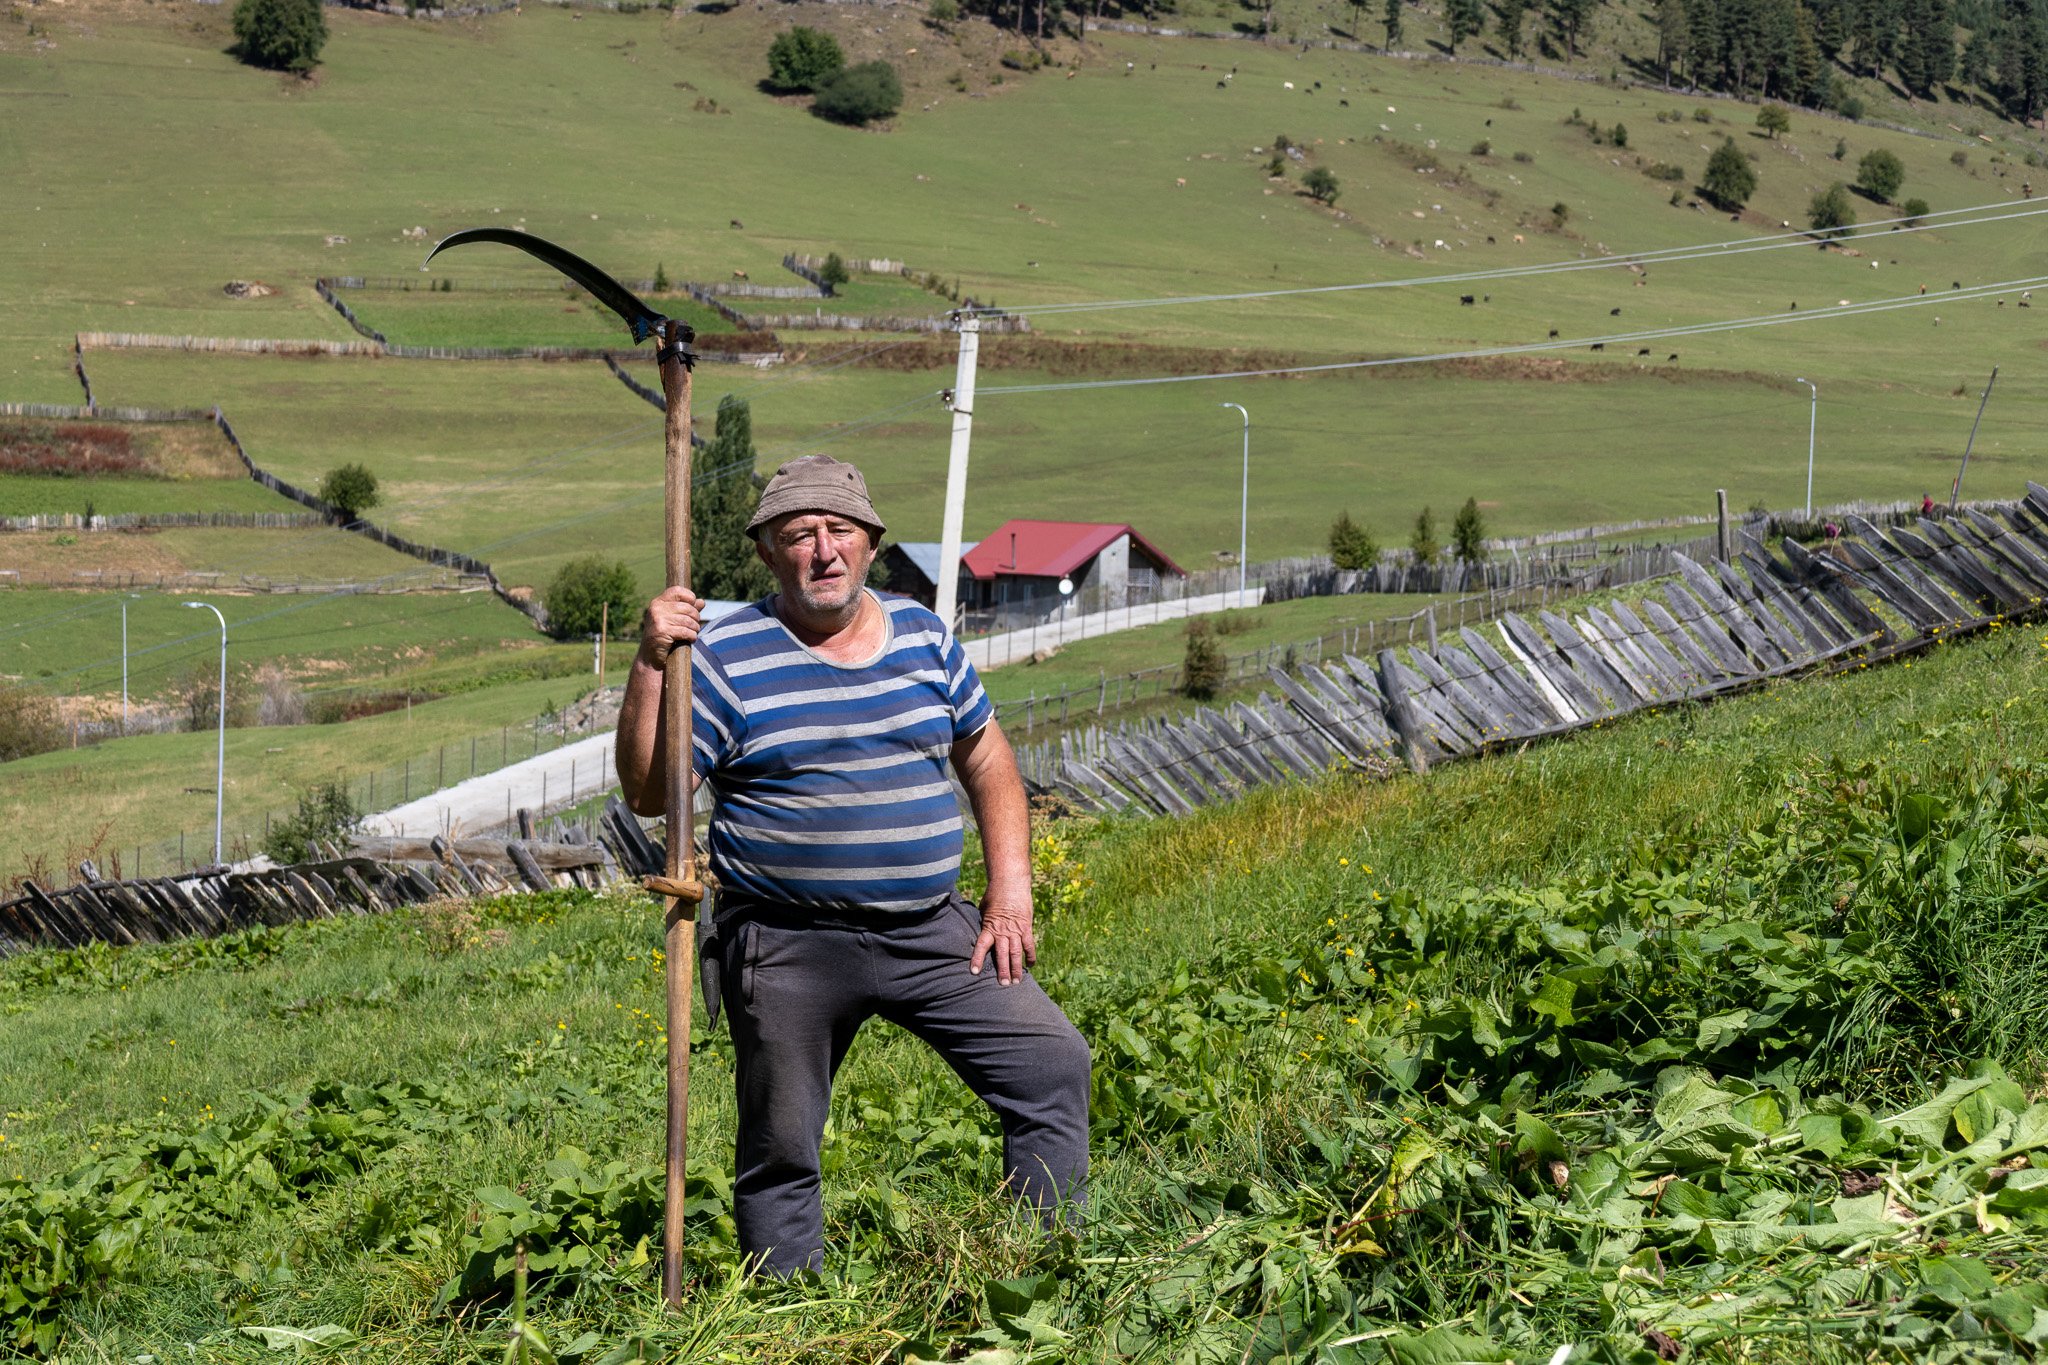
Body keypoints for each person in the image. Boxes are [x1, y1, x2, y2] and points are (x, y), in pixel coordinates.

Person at [615, 454, 1091, 1276]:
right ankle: (793, 1311)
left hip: (931, 929)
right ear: (768, 552)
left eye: (840, 531)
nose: (823, 551)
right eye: (799, 535)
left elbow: (986, 757)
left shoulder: (924, 635)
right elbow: (654, 792)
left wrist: (1010, 890)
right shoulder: (725, 658)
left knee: (1050, 1063)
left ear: (871, 543)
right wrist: (652, 663)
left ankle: (1045, 1269)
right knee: (781, 1142)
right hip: (787, 942)